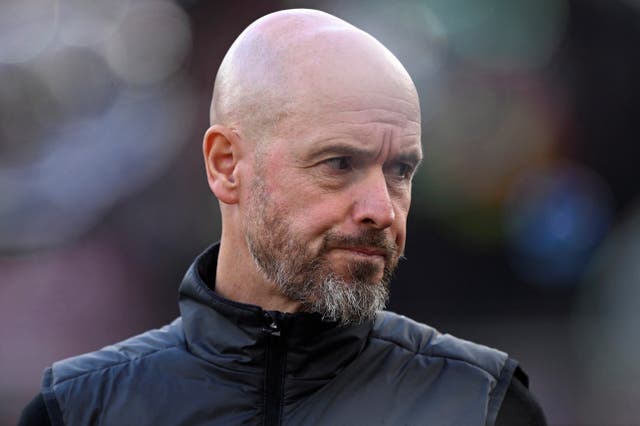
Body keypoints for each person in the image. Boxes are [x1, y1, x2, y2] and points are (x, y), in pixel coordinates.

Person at [19, 9, 546, 426]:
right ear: (226, 165)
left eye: (401, 170)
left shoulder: (483, 402)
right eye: (339, 163)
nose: (382, 210)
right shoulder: (78, 409)